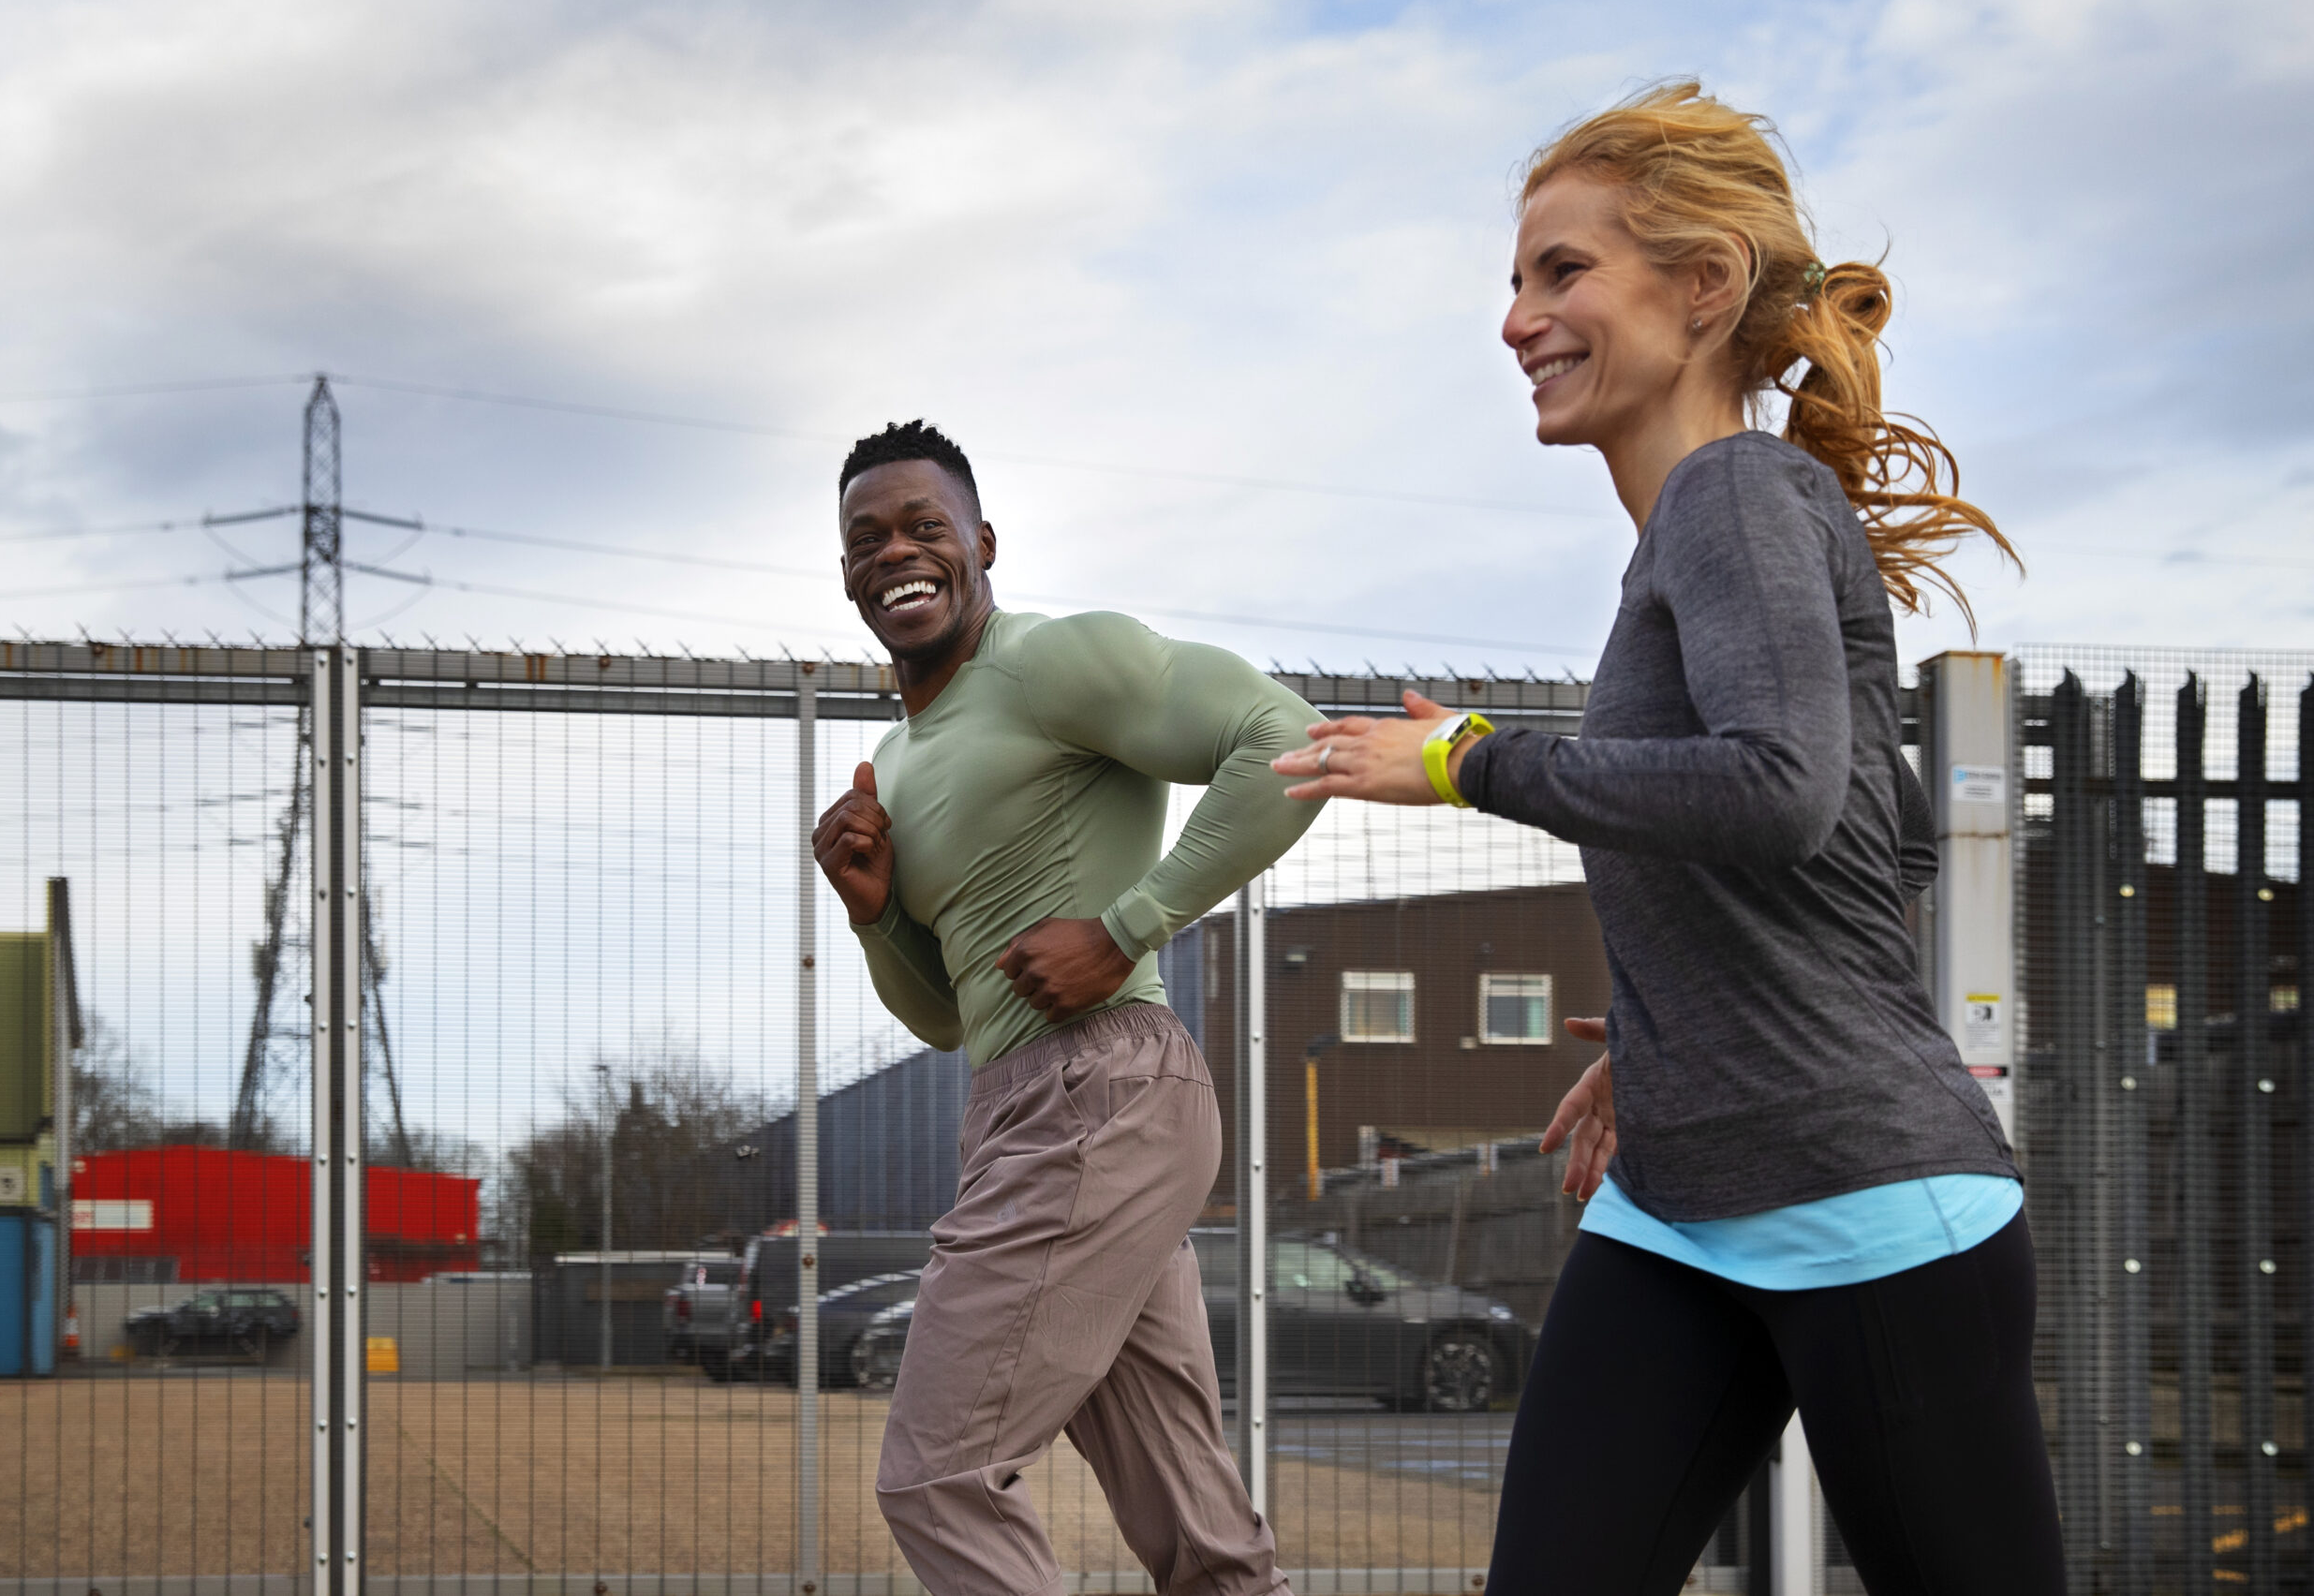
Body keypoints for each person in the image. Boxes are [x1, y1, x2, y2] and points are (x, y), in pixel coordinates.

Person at [1269, 83, 2062, 1595]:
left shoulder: (1736, 493)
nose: (1517, 319)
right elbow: (1886, 837)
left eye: (1560, 271)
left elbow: (1778, 789)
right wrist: (1671, 1031)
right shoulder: (1701, 533)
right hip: (1681, 1208)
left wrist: (1468, 761)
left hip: (1869, 1203)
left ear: (1702, 286)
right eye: (1516, 279)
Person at [811, 419, 1319, 1596]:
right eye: (868, 539)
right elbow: (950, 1018)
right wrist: (875, 912)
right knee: (1200, 1539)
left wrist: (1128, 927)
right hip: (1023, 1107)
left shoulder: (1048, 661)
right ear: (846, 574)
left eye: (924, 526)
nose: (897, 553)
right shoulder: (898, 761)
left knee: (936, 1476)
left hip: (1101, 1090)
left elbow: (1284, 738)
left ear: (982, 542)